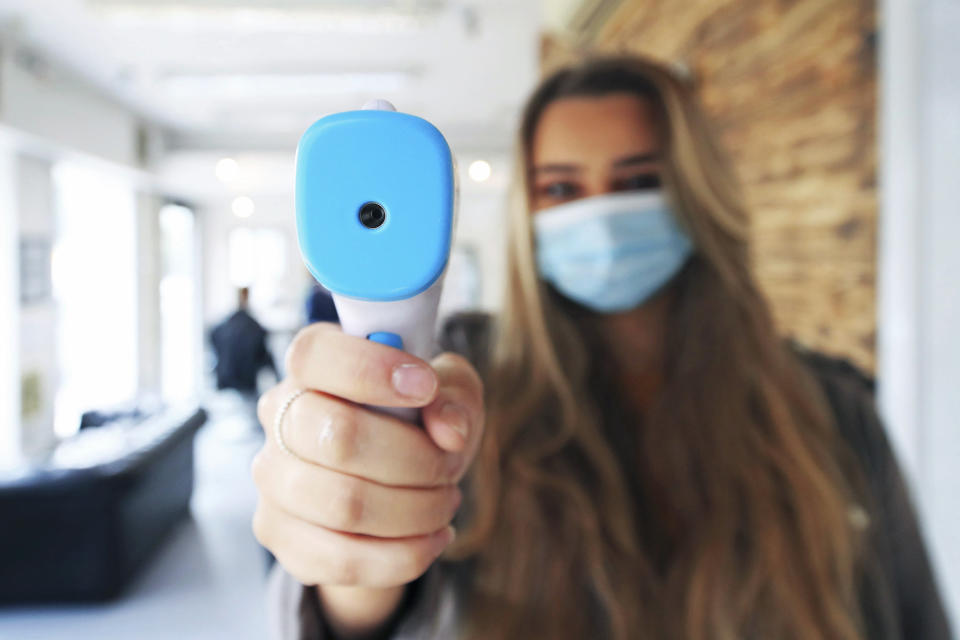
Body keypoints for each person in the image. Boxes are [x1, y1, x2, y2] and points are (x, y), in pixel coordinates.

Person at [252, 56, 953, 640]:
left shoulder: (834, 412)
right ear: (528, 211)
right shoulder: (454, 389)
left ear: (699, 191)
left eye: (639, 181)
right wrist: (351, 568)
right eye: (561, 187)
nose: (600, 213)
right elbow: (364, 617)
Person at [210, 287, 277, 420]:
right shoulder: (255, 327)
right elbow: (266, 358)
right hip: (245, 386)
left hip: (225, 383)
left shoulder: (222, 326)